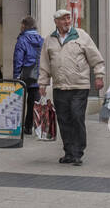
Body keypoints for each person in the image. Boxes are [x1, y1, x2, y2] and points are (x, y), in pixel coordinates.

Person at [39, 9, 105, 166]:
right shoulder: (50, 39)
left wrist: (99, 76)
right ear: (56, 22)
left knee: (76, 116)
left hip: (79, 85)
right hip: (60, 87)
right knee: (64, 120)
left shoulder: (81, 36)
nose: (67, 21)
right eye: (63, 19)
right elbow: (44, 64)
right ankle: (68, 152)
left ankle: (78, 152)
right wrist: (42, 83)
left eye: (68, 18)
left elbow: (96, 58)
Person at [11, 16, 43, 137]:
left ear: (25, 26)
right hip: (38, 75)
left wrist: (16, 76)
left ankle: (20, 126)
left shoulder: (22, 40)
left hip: (25, 75)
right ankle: (35, 127)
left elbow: (18, 60)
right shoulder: (41, 39)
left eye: (22, 25)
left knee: (19, 102)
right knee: (34, 102)